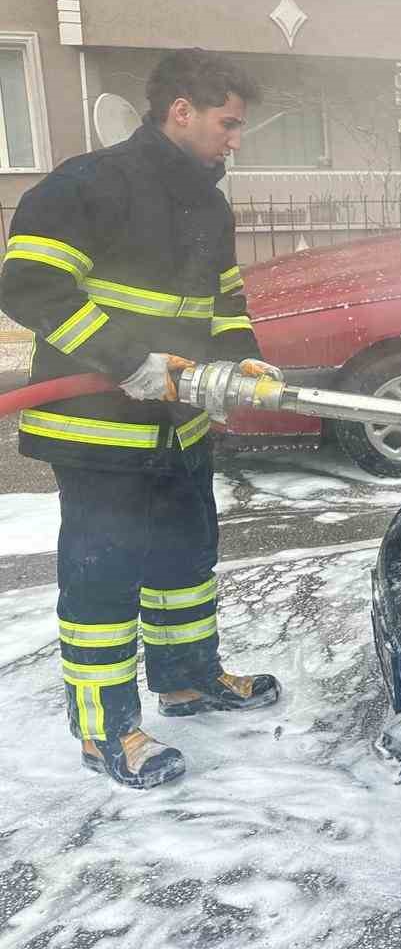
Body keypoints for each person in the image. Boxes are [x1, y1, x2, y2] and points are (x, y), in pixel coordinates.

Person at [0, 48, 283, 790]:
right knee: (103, 580)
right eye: (227, 124)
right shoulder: (87, 185)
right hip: (97, 431)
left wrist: (244, 363)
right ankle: (104, 729)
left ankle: (188, 681)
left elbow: (225, 305)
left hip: (178, 426)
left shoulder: (209, 206)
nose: (236, 141)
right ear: (181, 110)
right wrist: (130, 361)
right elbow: (30, 287)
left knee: (184, 563)